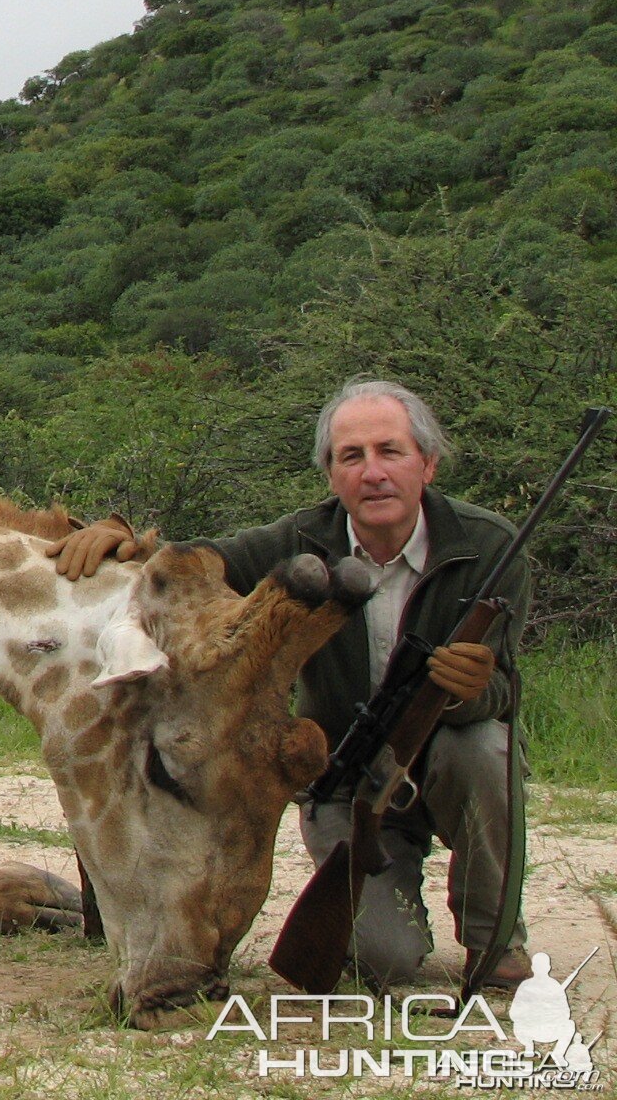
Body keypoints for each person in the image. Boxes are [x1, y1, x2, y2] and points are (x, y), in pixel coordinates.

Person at [46, 379, 531, 990]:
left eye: (392, 452)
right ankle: (395, 920)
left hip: (449, 753)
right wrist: (125, 540)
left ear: (428, 463)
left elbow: (501, 695)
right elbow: (200, 561)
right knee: (381, 963)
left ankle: (496, 945)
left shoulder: (491, 546)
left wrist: (472, 688)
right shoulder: (300, 541)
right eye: (352, 456)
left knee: (486, 747)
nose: (373, 472)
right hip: (346, 776)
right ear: (331, 474)